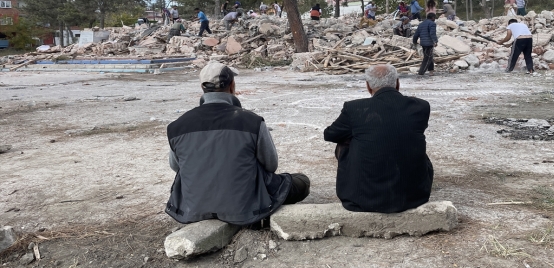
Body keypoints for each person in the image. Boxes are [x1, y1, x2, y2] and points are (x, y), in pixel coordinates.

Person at [166, 62, 310, 225]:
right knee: (301, 181)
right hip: (245, 207)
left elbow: (176, 167)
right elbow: (271, 165)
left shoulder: (177, 126)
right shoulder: (252, 122)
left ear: (202, 88)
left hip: (193, 208)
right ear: (232, 86)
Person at [323, 64, 433, 213]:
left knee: (346, 141)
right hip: (414, 197)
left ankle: (357, 184)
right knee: (406, 140)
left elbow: (330, 134)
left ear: (368, 86)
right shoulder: (421, 106)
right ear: (397, 83)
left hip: (363, 199)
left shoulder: (355, 108)